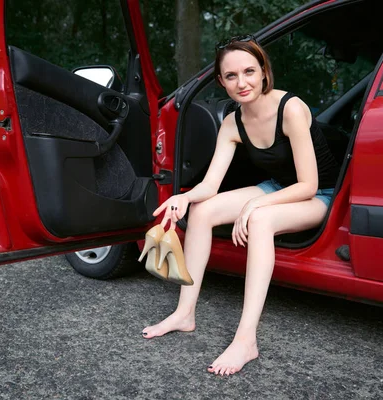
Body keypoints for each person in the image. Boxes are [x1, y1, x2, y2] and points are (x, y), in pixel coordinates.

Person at [141, 34, 340, 376]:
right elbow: (210, 185)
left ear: (264, 71)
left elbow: (309, 184)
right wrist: (184, 197)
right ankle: (185, 312)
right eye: (231, 76)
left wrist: (253, 208)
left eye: (249, 71)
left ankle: (246, 339)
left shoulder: (290, 108)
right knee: (204, 211)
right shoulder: (233, 123)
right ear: (221, 81)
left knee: (260, 221)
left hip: (319, 195)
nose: (241, 82)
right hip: (277, 188)